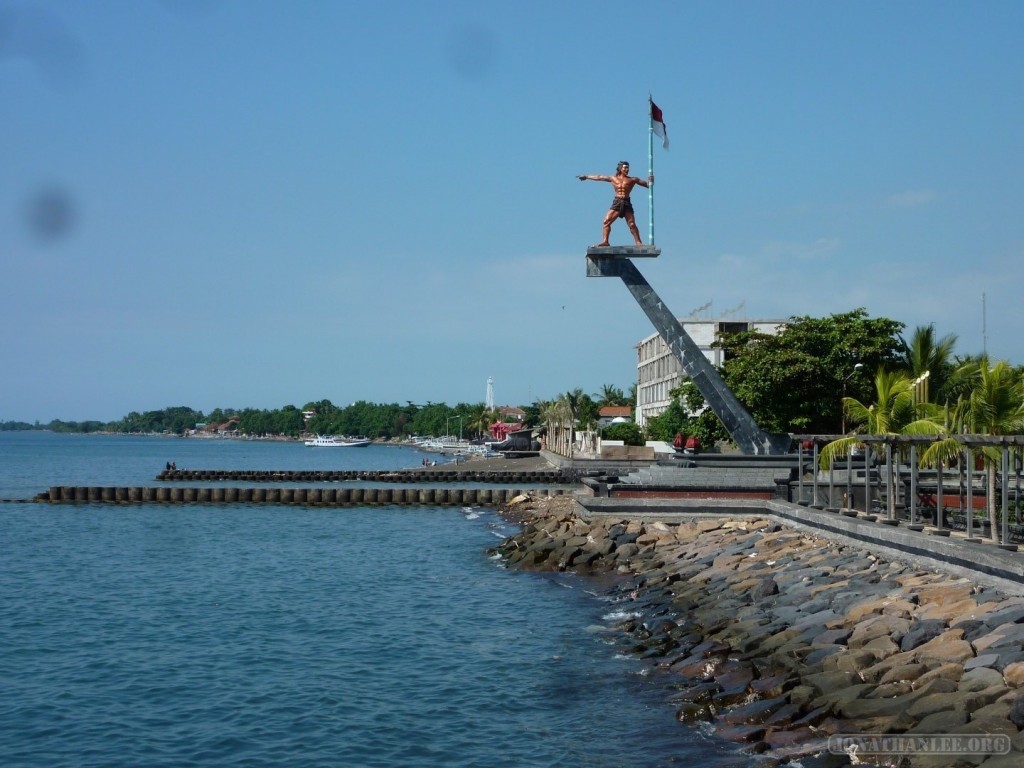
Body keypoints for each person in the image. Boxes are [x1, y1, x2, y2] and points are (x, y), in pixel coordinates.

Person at [578, 161, 653, 246]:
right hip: (617, 202)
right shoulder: (613, 178)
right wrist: (587, 176)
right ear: (620, 168)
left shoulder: (632, 179)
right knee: (606, 221)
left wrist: (650, 181)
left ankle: (638, 242)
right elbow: (599, 177)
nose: (627, 169)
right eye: (625, 168)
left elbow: (648, 185)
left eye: (628, 168)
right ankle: (605, 241)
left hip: (626, 202)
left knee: (632, 224)